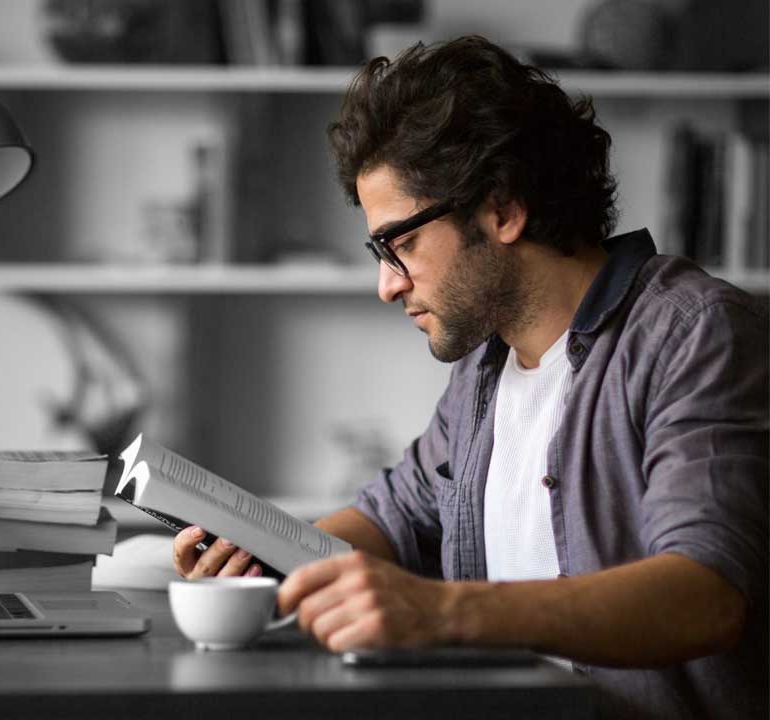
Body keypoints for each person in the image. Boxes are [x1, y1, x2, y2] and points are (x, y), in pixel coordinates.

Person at [172, 36, 767, 720]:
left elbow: (707, 596)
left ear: (502, 210)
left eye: (401, 245)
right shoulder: (487, 369)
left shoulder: (695, 334)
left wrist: (441, 611)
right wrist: (261, 556)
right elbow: (391, 519)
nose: (387, 286)